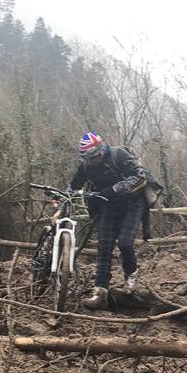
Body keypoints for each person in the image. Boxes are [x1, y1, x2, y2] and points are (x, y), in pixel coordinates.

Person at [69, 131, 149, 308]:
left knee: (125, 243)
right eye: (86, 159)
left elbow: (139, 177)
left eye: (92, 158)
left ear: (101, 152)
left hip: (132, 202)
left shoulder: (119, 155)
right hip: (107, 204)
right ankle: (100, 291)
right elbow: (73, 186)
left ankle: (131, 277)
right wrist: (62, 197)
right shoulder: (85, 167)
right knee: (104, 246)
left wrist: (115, 189)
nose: (90, 162)